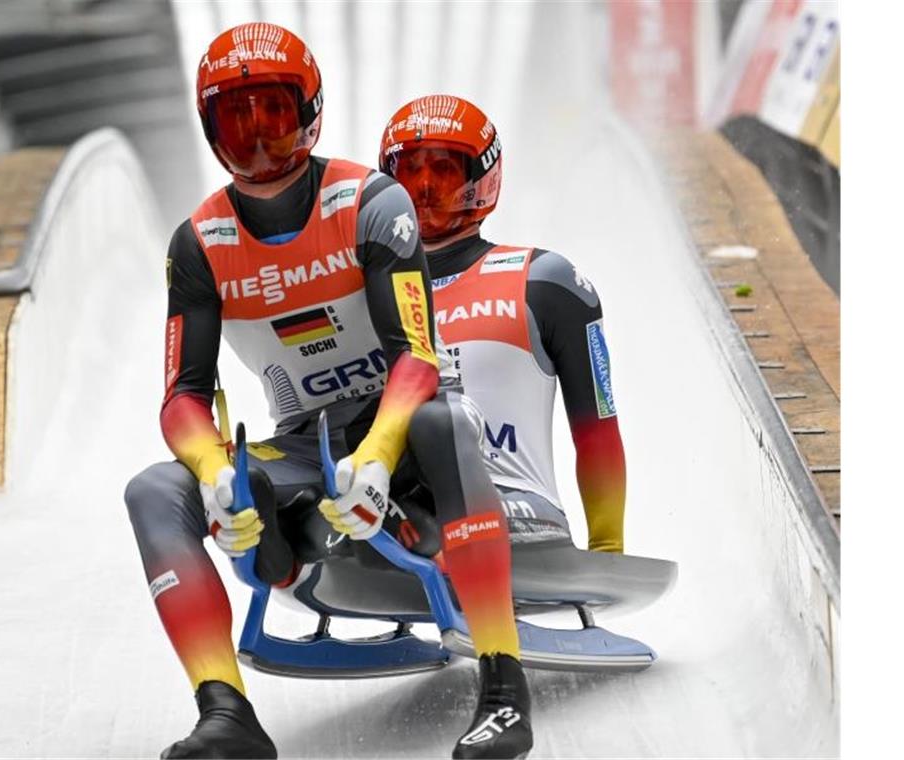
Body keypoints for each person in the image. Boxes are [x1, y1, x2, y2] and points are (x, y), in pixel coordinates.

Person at [124, 24, 532, 760]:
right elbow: (182, 396)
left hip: (403, 429)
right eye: (236, 122)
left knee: (440, 422)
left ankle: (505, 689)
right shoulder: (199, 243)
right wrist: (214, 474)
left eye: (273, 118)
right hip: (303, 440)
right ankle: (227, 711)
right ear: (210, 128)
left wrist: (378, 451)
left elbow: (417, 355)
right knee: (155, 490)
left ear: (308, 114)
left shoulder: (373, 202)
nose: (256, 143)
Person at [378, 95, 627, 556]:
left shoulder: (544, 281)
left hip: (516, 506)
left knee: (444, 517)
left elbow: (596, 425)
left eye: (444, 170)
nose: (426, 188)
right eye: (411, 171)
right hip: (395, 509)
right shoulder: (360, 291)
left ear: (480, 180)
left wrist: (607, 547)